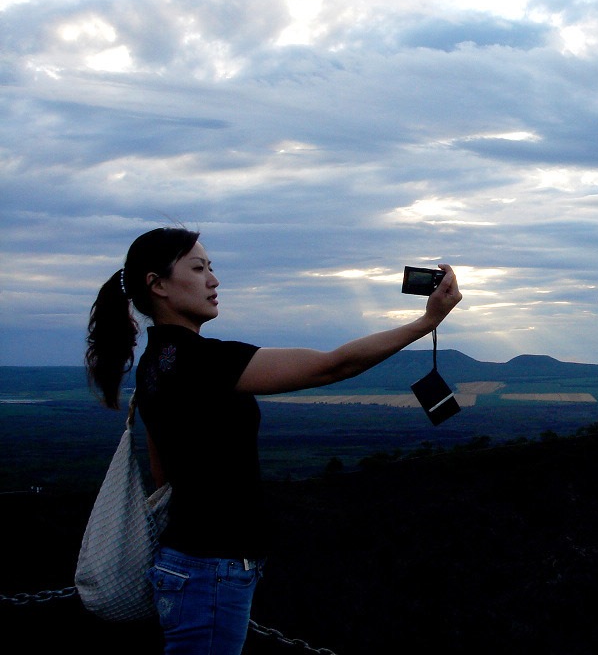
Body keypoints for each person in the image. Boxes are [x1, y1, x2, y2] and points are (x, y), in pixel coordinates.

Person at [85, 227, 462, 655]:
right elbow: (331, 367)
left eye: (211, 268)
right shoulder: (201, 361)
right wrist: (427, 322)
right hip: (211, 569)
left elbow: (163, 475)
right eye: (198, 268)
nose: (213, 280)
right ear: (158, 284)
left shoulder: (156, 365)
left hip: (190, 564)